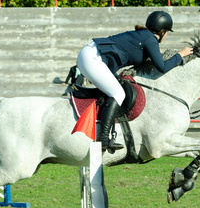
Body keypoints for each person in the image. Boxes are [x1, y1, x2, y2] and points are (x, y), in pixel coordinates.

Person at [77, 11, 193, 151]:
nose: (166, 35)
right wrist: (180, 55)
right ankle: (103, 139)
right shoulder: (150, 39)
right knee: (118, 93)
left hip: (91, 54)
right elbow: (162, 67)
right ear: (162, 31)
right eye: (167, 32)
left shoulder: (144, 35)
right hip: (92, 57)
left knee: (115, 89)